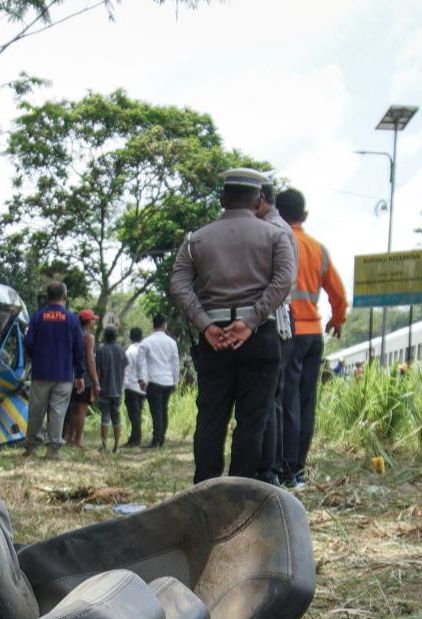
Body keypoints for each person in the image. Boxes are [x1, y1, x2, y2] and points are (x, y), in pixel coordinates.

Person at [170, 168, 294, 483]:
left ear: (223, 198)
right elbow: (284, 281)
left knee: (211, 417)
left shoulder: (195, 239)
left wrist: (205, 324)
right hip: (259, 336)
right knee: (253, 418)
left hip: (214, 339)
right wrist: (251, 321)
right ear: (258, 200)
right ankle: (242, 489)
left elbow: (179, 284)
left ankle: (207, 488)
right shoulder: (276, 236)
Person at [275, 188, 347, 490]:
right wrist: (337, 320)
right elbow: (339, 294)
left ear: (276, 212)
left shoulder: (277, 242)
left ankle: (286, 468)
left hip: (286, 332)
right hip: (313, 334)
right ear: (304, 216)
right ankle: (299, 469)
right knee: (306, 402)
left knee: (286, 402)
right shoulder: (319, 249)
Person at [254, 181, 297, 484]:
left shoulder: (273, 230)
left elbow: (280, 282)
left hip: (275, 319)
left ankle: (269, 470)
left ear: (261, 199)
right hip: (281, 320)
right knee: (274, 399)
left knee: (268, 398)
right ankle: (276, 468)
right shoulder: (277, 227)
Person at [23, 281, 85, 458]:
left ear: (48, 297)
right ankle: (53, 449)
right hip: (64, 373)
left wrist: (34, 357)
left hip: (41, 372)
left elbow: (28, 342)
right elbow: (79, 348)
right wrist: (79, 374)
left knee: (36, 410)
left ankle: (31, 446)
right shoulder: (72, 319)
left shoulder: (38, 317)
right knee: (58, 412)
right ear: (65, 297)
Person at [138, 315, 180, 448]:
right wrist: (175, 380)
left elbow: (141, 363)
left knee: (156, 411)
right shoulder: (171, 342)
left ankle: (156, 439)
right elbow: (175, 363)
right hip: (168, 380)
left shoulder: (146, 342)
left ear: (153, 325)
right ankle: (161, 438)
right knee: (164, 410)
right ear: (165, 325)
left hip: (154, 381)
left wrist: (142, 379)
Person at [66, 308, 100, 447]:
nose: (94, 323)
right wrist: (96, 381)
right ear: (89, 322)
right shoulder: (89, 337)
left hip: (71, 375)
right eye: (93, 320)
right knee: (81, 409)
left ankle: (69, 437)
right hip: (84, 378)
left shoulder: (74, 333)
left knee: (73, 408)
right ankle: (78, 440)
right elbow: (90, 360)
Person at [94, 325, 127, 453]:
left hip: (104, 389)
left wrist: (96, 387)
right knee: (116, 417)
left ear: (105, 336)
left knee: (105, 417)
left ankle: (103, 446)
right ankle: (117, 446)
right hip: (118, 389)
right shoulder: (121, 350)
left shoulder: (101, 350)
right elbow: (124, 368)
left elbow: (98, 371)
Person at [123, 326, 145, 447]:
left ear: (130, 337)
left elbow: (126, 369)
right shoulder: (145, 349)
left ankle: (135, 438)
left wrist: (124, 385)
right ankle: (135, 436)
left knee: (133, 414)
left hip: (132, 386)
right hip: (143, 386)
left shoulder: (129, 351)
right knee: (138, 412)